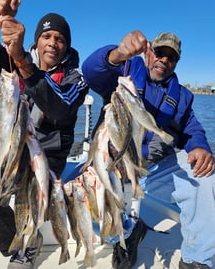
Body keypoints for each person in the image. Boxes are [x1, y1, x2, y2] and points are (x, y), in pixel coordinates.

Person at [0, 0, 88, 268]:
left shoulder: (75, 78)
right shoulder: (14, 59)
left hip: (42, 158)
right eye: (46, 36)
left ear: (66, 46)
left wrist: (20, 59)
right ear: (37, 40)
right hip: (8, 147)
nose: (53, 43)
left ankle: (24, 241)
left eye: (59, 39)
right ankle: (0, 193)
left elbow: (58, 107)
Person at [82, 31, 215, 269]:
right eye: (160, 53)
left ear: (175, 64)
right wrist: (117, 54)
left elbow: (192, 128)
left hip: (153, 170)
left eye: (171, 58)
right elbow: (91, 71)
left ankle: (197, 258)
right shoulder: (125, 70)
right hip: (115, 167)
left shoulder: (182, 95)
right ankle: (128, 233)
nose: (164, 60)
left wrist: (200, 147)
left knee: (205, 175)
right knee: (87, 209)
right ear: (148, 52)